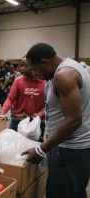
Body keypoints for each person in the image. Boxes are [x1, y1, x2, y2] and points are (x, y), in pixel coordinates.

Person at [22, 43, 90, 198]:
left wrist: (41, 149)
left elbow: (73, 120)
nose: (35, 74)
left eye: (35, 69)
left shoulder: (64, 75)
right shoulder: (62, 71)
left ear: (44, 62)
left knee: (63, 193)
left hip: (70, 149)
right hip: (63, 146)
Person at [0, 57, 46, 133]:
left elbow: (48, 105)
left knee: (34, 144)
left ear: (34, 66)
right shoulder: (18, 81)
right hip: (18, 120)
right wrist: (2, 113)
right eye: (21, 65)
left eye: (25, 66)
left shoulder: (45, 82)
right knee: (14, 143)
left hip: (36, 122)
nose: (22, 68)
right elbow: (10, 99)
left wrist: (40, 114)